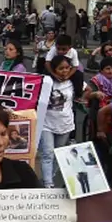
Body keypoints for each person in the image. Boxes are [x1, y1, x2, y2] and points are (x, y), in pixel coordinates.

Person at [38, 55, 77, 188]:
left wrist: (93, 95)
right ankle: (48, 184)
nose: (65, 71)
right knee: (47, 153)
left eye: (67, 68)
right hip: (46, 123)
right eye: (61, 68)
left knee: (58, 154)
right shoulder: (46, 82)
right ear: (53, 69)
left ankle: (51, 177)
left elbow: (87, 90)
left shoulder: (74, 82)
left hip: (65, 124)